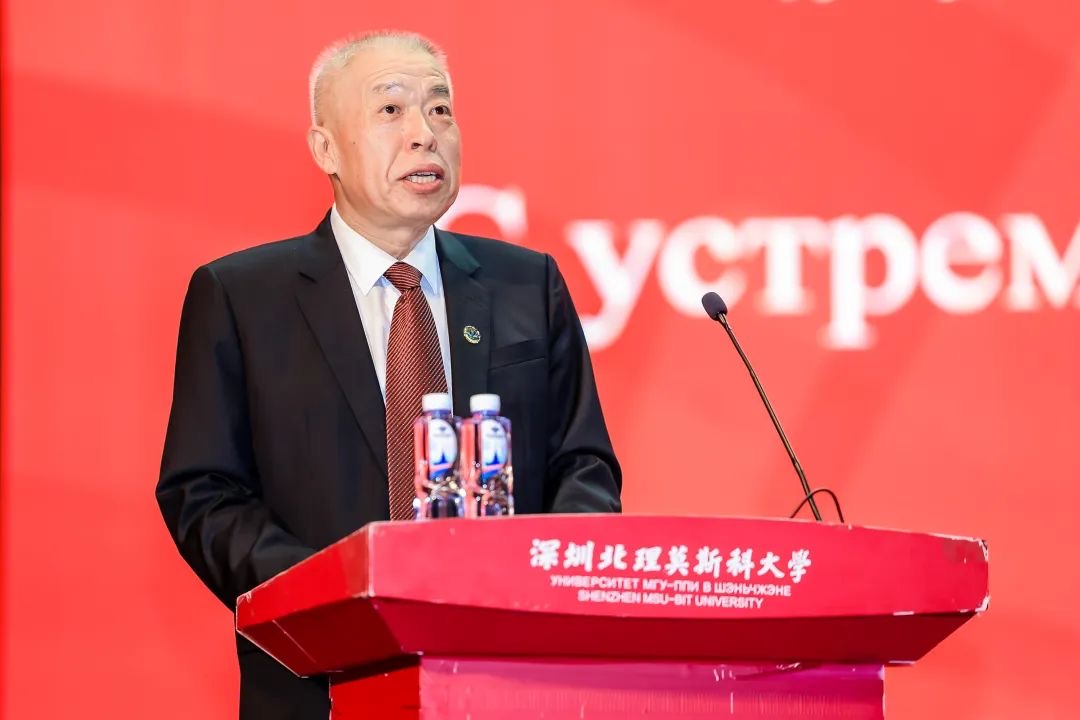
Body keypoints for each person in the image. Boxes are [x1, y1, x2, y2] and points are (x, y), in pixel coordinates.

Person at [156, 31, 621, 719]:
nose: (424, 134)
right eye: (391, 110)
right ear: (325, 149)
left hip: (510, 681)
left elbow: (583, 467)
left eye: (440, 109)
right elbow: (204, 494)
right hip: (320, 685)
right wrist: (335, 598)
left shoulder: (527, 284)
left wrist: (540, 595)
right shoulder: (241, 298)